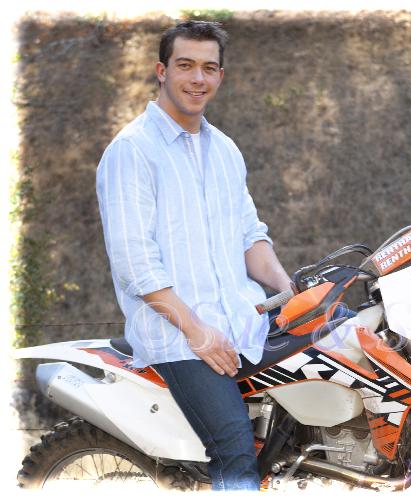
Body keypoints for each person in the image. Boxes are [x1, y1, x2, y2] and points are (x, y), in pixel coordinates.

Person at [95, 20, 292, 491]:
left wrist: (289, 290)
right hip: (179, 338)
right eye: (185, 65)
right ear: (161, 71)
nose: (197, 79)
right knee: (235, 451)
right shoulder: (131, 151)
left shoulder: (225, 150)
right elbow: (135, 265)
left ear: (220, 76)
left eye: (208, 68)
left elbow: (250, 237)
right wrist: (197, 332)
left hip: (243, 322)